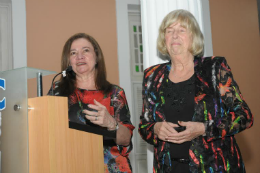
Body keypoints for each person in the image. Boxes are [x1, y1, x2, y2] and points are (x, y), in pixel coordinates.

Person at [138, 9, 253, 173]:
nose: (175, 35)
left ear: (194, 37)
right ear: (164, 38)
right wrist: (155, 128)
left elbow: (244, 116)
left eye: (181, 30)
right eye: (169, 31)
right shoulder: (152, 76)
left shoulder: (214, 69)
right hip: (170, 168)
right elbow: (144, 126)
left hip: (215, 167)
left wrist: (204, 128)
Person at [49, 33, 135, 173]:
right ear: (69, 62)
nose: (80, 56)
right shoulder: (57, 91)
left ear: (97, 57)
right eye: (73, 53)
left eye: (86, 50)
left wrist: (111, 124)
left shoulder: (115, 93)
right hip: (70, 166)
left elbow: (126, 140)